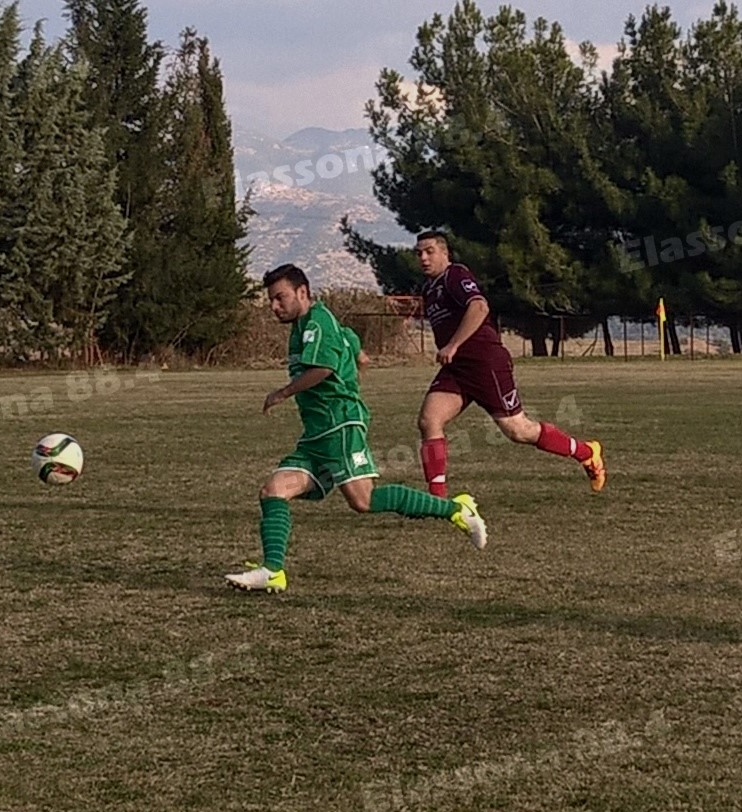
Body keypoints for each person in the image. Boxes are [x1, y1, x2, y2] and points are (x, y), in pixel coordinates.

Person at [225, 264, 487, 593]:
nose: (275, 306)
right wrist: (356, 364)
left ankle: (456, 510)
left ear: (303, 292)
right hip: (317, 434)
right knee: (273, 490)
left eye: (280, 298)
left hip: (340, 426)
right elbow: (354, 346)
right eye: (271, 300)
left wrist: (284, 392)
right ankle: (273, 571)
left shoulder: (317, 322)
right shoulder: (311, 323)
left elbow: (324, 366)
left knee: (364, 501)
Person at [412, 231, 606, 495]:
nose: (423, 258)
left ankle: (587, 453)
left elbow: (479, 307)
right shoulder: (429, 288)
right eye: (419, 253)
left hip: (485, 364)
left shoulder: (454, 275)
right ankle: (438, 499)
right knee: (429, 420)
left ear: (445, 253)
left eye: (429, 251)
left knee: (518, 430)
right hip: (457, 368)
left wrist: (453, 344)